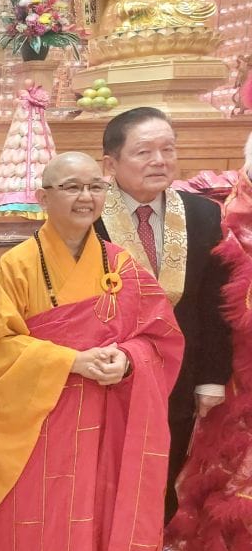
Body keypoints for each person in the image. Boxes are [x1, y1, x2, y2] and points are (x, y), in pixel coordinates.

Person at [0, 152, 183, 551]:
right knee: (44, 530)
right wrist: (70, 360)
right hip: (40, 422)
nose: (85, 197)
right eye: (70, 186)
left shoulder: (122, 265)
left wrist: (128, 359)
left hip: (107, 421)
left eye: (94, 186)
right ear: (43, 197)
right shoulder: (18, 265)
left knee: (99, 523)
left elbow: (161, 336)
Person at [96, 109, 232, 526]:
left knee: (165, 480)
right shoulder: (87, 215)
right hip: (108, 377)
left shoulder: (204, 215)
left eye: (168, 149)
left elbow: (215, 305)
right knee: (108, 484)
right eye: (144, 151)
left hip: (181, 376)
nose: (159, 160)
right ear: (110, 163)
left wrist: (212, 377)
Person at [159, 133, 252, 551]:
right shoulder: (224, 219)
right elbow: (212, 308)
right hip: (232, 379)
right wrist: (213, 376)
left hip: (219, 374)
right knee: (224, 487)